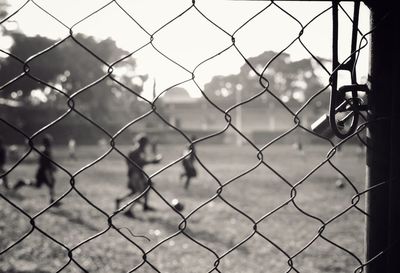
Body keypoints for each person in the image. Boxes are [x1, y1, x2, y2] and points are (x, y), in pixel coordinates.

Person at [115, 134, 162, 218]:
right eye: (145, 144)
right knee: (140, 192)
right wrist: (153, 161)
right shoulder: (135, 151)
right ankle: (128, 210)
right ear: (142, 143)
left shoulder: (140, 151)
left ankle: (144, 206)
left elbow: (141, 162)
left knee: (147, 186)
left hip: (139, 173)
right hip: (135, 173)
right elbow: (139, 162)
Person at [14, 134, 59, 205]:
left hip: (43, 171)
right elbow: (45, 163)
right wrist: (49, 171)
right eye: (50, 141)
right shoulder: (45, 151)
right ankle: (52, 200)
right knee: (50, 184)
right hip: (43, 172)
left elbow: (49, 162)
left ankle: (23, 182)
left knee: (39, 185)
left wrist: (53, 167)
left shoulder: (46, 150)